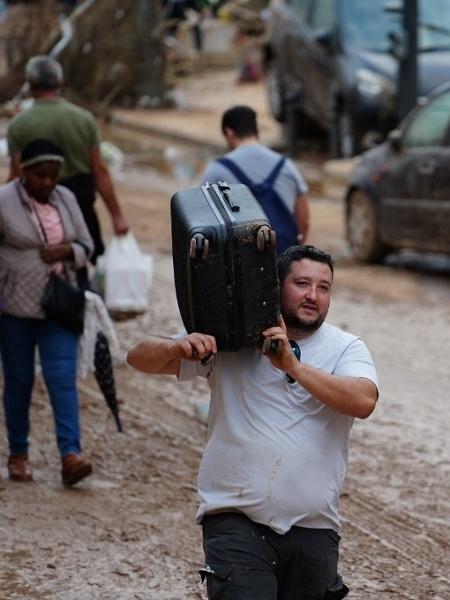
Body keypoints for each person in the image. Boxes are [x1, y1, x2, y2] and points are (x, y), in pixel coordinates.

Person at [127, 244, 379, 599]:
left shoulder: (346, 347)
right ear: (275, 287)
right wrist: (177, 348)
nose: (313, 296)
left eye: (324, 288)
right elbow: (137, 358)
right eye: (302, 284)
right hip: (235, 520)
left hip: (315, 526)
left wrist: (292, 366)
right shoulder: (231, 337)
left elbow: (364, 401)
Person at [0, 138, 94, 485]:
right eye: (40, 175)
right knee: (19, 382)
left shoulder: (66, 199)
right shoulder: (4, 200)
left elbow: (88, 245)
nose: (47, 182)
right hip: (14, 308)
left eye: (53, 175)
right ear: (24, 172)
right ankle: (18, 454)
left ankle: (71, 455)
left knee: (61, 379)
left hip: (58, 305)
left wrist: (68, 251)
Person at [6, 55, 129, 267]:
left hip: (39, 212)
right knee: (83, 258)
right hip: (81, 204)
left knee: (45, 266)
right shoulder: (83, 119)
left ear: (30, 86)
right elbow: (100, 172)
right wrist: (117, 216)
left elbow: (16, 176)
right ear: (60, 83)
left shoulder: (19, 126)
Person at [201, 104, 310, 253]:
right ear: (257, 132)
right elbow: (303, 220)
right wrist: (295, 251)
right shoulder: (285, 165)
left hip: (242, 261)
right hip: (284, 255)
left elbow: (205, 224)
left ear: (229, 133)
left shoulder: (217, 170)